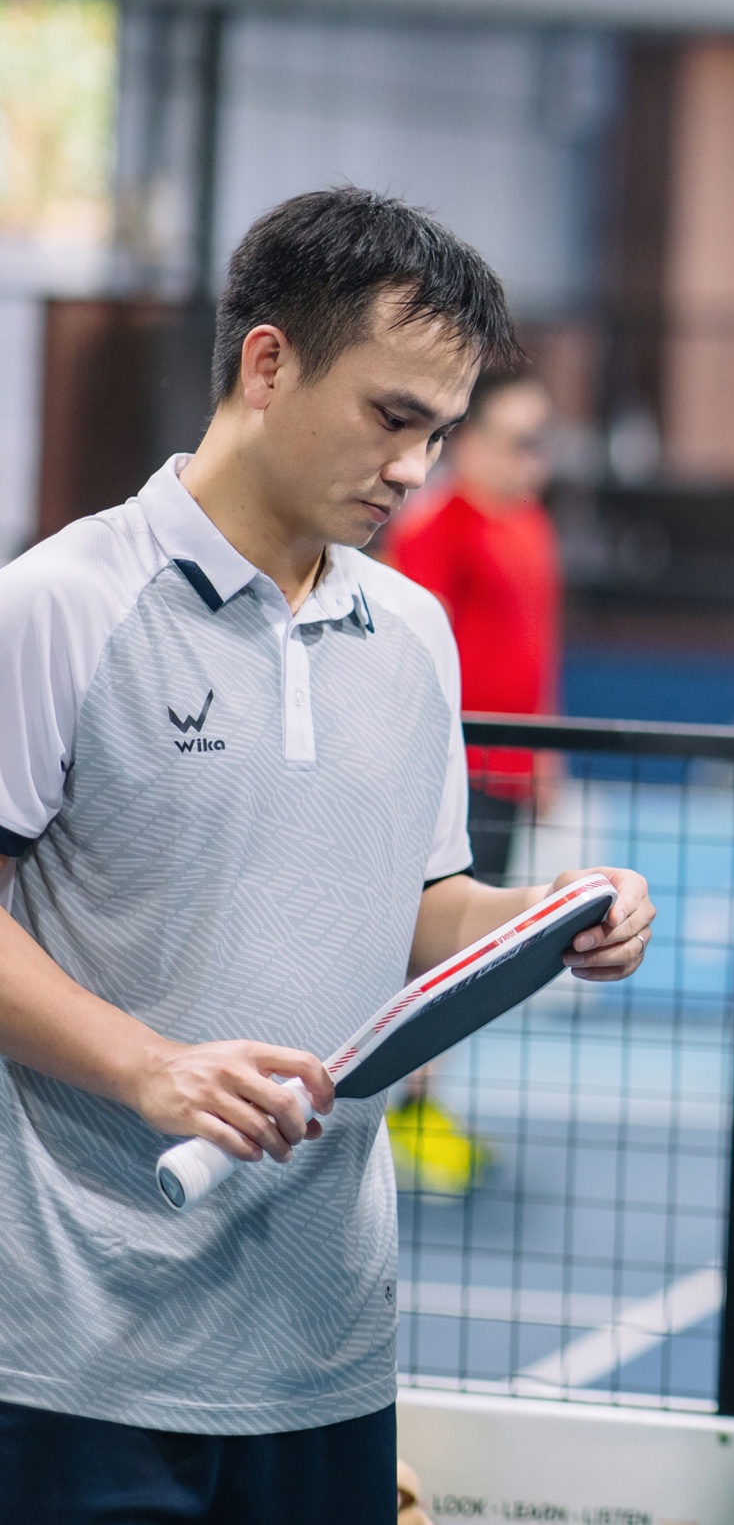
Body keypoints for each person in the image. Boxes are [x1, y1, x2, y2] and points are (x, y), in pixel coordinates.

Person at [0, 188, 654, 1522]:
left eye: (440, 432)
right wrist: (151, 1066)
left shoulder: (414, 632)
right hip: (74, 1357)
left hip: (326, 1353)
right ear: (267, 364)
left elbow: (421, 908)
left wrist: (551, 915)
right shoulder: (59, 605)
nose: (415, 467)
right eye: (391, 417)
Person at [383, 364, 564, 1194]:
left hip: (512, 774)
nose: (536, 459)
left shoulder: (530, 522)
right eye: (522, 441)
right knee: (428, 951)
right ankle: (398, 1111)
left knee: (470, 957)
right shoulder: (435, 526)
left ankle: (421, 1106)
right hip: (452, 772)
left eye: (543, 442)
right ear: (472, 438)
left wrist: (546, 750)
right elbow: (406, 657)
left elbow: (536, 648)